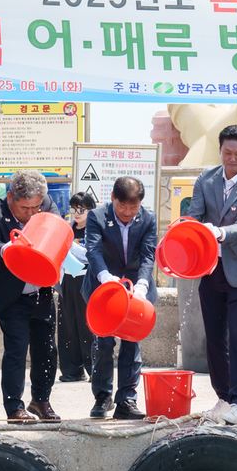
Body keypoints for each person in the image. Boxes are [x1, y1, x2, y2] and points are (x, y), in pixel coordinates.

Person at [188, 124, 237, 425]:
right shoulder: (205, 179)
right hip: (209, 270)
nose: (232, 159)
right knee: (213, 338)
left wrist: (217, 231)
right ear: (220, 150)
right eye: (227, 153)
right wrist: (187, 232)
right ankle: (222, 397)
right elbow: (194, 216)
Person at [0, 169, 63, 422]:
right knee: (17, 347)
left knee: (46, 349)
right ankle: (14, 407)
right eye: (25, 208)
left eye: (36, 208)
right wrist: (10, 249)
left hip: (43, 292)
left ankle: (40, 400)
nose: (31, 214)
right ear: (10, 198)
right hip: (12, 294)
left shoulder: (46, 204)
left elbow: (58, 229)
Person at [83, 176, 158, 420]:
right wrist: (106, 277)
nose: (127, 212)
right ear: (113, 198)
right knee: (103, 344)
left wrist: (143, 285)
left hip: (136, 288)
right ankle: (102, 397)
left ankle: (126, 399)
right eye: (122, 206)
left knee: (131, 341)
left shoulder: (149, 219)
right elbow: (93, 250)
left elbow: (148, 256)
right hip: (105, 289)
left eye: (133, 207)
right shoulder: (96, 216)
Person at [58, 192, 94, 382]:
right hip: (67, 279)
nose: (76, 213)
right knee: (67, 325)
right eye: (73, 209)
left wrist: (69, 245)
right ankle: (71, 370)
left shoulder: (95, 230)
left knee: (86, 325)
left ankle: (93, 368)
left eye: (81, 209)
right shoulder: (68, 229)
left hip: (86, 280)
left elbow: (91, 254)